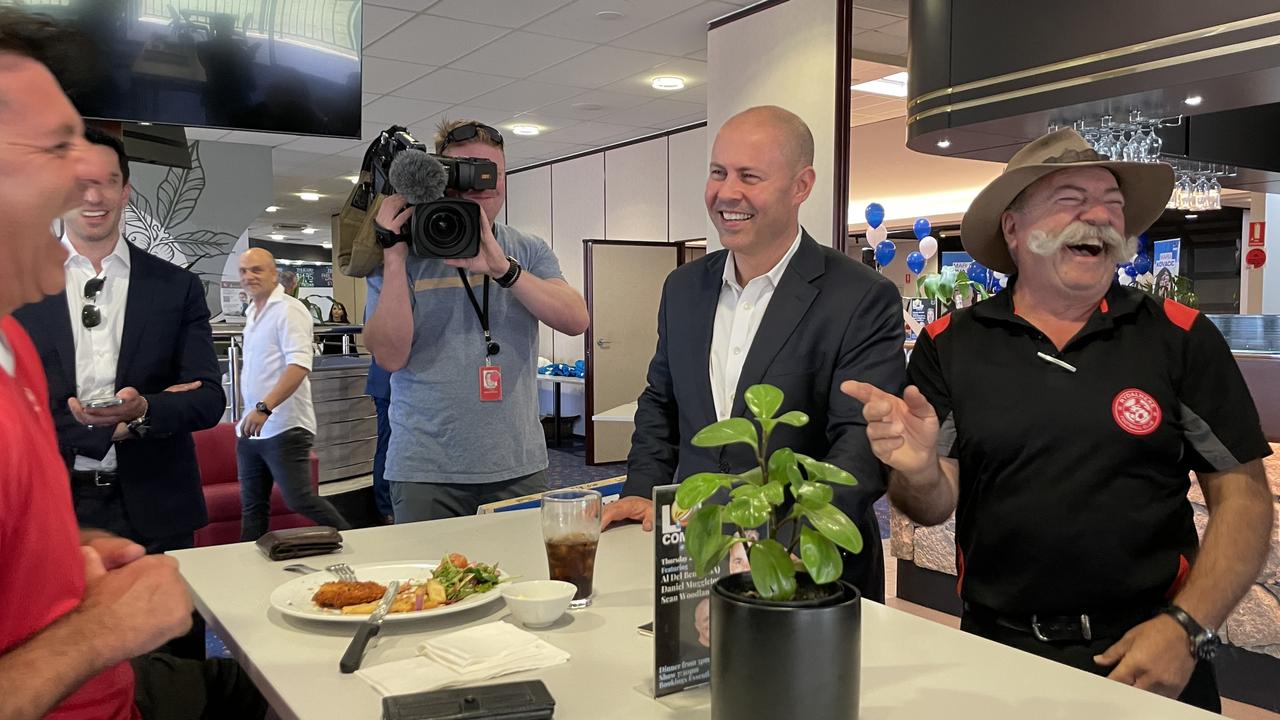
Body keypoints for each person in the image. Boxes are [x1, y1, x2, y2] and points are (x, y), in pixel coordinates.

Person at [842, 128, 1274, 710]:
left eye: (1113, 204)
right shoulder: (952, 344)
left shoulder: (1181, 338)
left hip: (1152, 651)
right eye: (1071, 198)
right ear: (1014, 229)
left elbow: (1243, 499)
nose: (1098, 215)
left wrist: (1188, 629)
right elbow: (932, 503)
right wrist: (917, 471)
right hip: (999, 651)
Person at [0, 9, 265, 718]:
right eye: (54, 147)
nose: (84, 180)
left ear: (125, 189)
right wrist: (101, 631)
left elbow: (203, 397)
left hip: (146, 516)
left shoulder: (161, 286)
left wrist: (68, 543)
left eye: (97, 167)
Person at [599, 106, 906, 602]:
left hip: (811, 561)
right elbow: (662, 401)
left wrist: (801, 534)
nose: (726, 193)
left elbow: (861, 439)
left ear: (801, 186)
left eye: (749, 176)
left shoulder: (859, 296)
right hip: (697, 550)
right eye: (718, 172)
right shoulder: (683, 289)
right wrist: (641, 489)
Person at [364, 119, 589, 522]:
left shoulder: (526, 249)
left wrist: (504, 269)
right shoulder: (404, 250)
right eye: (466, 171)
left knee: (522, 582)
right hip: (426, 470)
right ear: (439, 178)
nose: (482, 183)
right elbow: (390, 356)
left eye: (493, 172)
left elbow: (576, 319)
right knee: (432, 585)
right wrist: (394, 258)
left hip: (517, 465)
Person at [16, 127, 226, 555]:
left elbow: (207, 399)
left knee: (168, 624)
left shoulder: (175, 287)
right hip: (47, 512)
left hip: (159, 513)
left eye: (108, 182)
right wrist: (113, 429)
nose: (94, 198)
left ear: (126, 191)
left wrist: (146, 409)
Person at [237, 247, 350, 540]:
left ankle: (359, 542)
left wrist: (264, 408)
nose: (249, 276)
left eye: (257, 270)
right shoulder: (252, 312)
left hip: (285, 425)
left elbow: (299, 365)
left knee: (298, 499)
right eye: (244, 271)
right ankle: (249, 570)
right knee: (252, 508)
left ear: (275, 274)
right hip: (250, 430)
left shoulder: (289, 310)